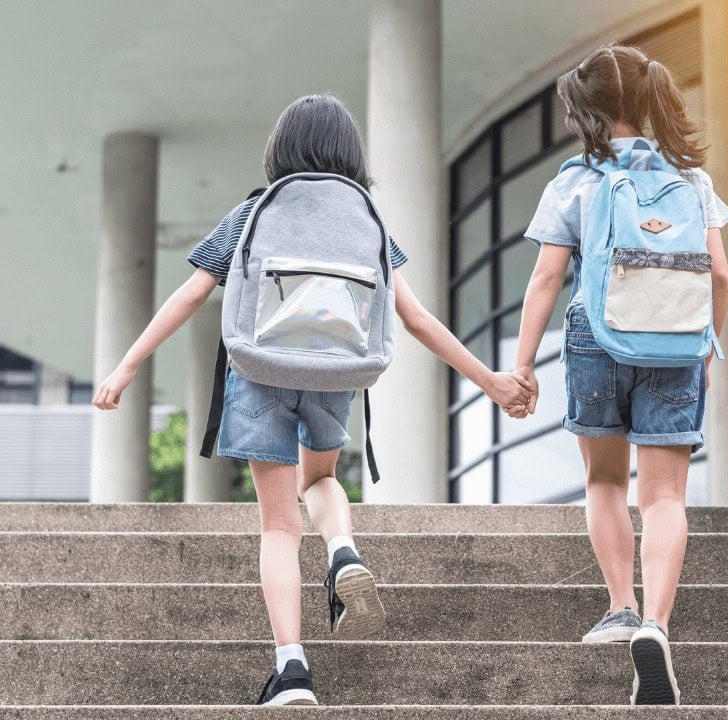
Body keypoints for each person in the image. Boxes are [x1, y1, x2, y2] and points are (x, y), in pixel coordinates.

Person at [93, 94, 530, 706]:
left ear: (280, 150)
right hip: (335, 373)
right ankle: (343, 550)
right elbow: (416, 316)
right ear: (350, 154)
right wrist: (490, 380)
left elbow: (190, 296)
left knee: (277, 523)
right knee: (320, 481)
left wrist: (125, 366)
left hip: (260, 369)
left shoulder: (253, 211)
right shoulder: (367, 219)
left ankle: (292, 670)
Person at [506, 45, 728, 705]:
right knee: (665, 497)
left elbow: (547, 276)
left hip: (597, 340)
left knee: (605, 479)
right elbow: (718, 275)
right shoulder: (693, 181)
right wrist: (706, 349)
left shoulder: (575, 180)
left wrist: (521, 365)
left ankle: (621, 608)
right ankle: (657, 626)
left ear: (589, 115)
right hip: (675, 344)